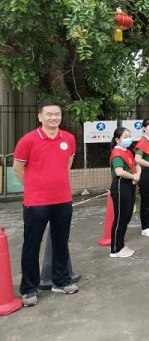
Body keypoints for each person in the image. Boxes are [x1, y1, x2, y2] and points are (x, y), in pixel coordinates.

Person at [13, 100, 79, 307]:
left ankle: (61, 281)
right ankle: (29, 289)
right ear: (40, 117)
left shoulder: (68, 138)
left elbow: (67, 163)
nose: (54, 117)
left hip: (63, 200)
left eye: (57, 114)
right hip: (36, 202)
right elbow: (17, 168)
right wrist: (33, 187)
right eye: (49, 114)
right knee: (32, 245)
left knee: (61, 242)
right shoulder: (28, 140)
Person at [108, 127, 140, 258]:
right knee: (120, 217)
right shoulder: (117, 153)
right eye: (125, 137)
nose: (128, 139)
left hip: (130, 184)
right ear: (117, 139)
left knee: (127, 215)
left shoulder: (127, 151)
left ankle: (120, 244)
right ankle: (115, 249)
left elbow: (137, 165)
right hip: (121, 185)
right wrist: (133, 176)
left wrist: (137, 175)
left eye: (129, 136)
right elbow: (119, 171)